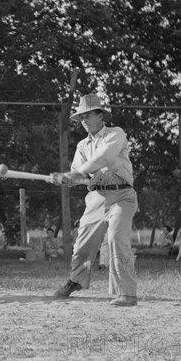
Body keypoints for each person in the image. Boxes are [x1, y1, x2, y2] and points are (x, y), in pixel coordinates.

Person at [51, 94, 139, 307]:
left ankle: (126, 293)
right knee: (83, 244)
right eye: (81, 117)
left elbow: (105, 158)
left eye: (88, 115)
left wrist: (74, 173)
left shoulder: (115, 134)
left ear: (100, 115)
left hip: (122, 195)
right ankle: (76, 281)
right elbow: (80, 177)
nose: (84, 121)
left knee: (116, 237)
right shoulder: (82, 146)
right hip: (96, 197)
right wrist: (68, 179)